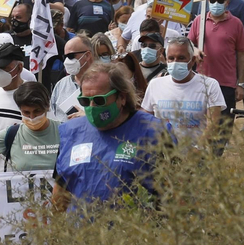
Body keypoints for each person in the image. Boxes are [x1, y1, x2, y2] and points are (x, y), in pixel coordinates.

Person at [52, 64, 169, 211]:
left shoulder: (152, 132)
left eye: (99, 100)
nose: (92, 106)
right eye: (85, 101)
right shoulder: (70, 132)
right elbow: (61, 190)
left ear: (121, 97)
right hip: (81, 230)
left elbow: (175, 193)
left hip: (132, 229)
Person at [141, 37, 225, 143]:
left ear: (192, 60)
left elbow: (213, 126)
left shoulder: (209, 85)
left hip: (197, 156)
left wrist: (196, 152)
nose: (175, 62)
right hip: (162, 154)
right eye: (171, 58)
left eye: (181, 58)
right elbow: (146, 120)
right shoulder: (155, 85)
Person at [187, 0, 244, 109]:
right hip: (202, 82)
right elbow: (188, 43)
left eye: (220, 1)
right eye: (212, 0)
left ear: (227, 2)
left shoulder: (236, 23)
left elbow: (241, 55)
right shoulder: (200, 20)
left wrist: (241, 83)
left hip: (226, 84)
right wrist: (194, 50)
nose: (216, 3)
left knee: (223, 125)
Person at [49, 35, 95, 119]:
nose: (67, 61)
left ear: (87, 55)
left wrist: (88, 117)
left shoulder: (104, 82)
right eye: (65, 57)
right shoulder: (61, 85)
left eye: (71, 56)